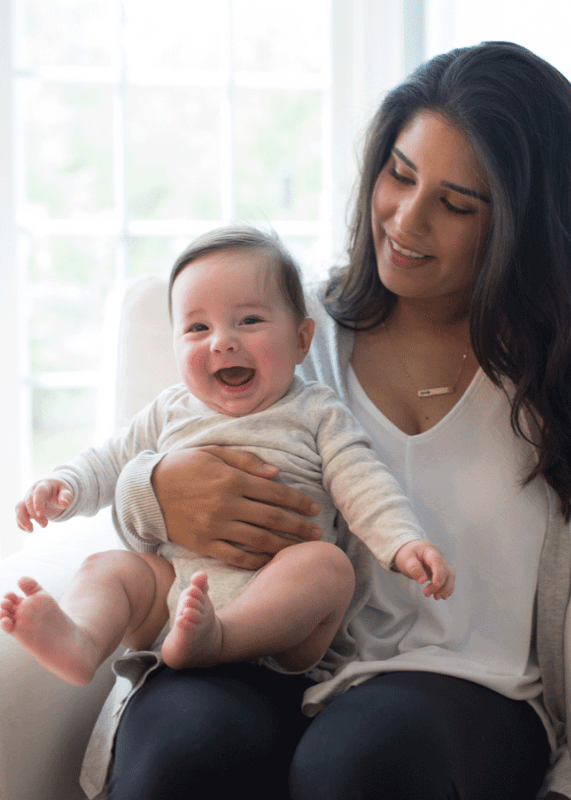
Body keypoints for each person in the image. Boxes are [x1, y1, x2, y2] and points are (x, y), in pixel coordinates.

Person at [79, 42, 571, 800]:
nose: (406, 221)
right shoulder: (290, 333)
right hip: (266, 654)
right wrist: (154, 489)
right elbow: (146, 459)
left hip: (460, 682)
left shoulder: (566, 358)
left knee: (359, 766)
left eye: (456, 204)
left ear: (521, 224)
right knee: (182, 750)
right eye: (399, 176)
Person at [2, 225, 454, 690]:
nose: (222, 341)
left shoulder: (317, 412)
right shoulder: (170, 409)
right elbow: (111, 461)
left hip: (284, 624)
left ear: (301, 341)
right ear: (175, 344)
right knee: (107, 567)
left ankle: (221, 637)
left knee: (327, 566)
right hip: (175, 594)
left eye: (250, 321)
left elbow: (364, 482)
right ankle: (82, 641)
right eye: (198, 328)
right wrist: (65, 486)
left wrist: (403, 542)